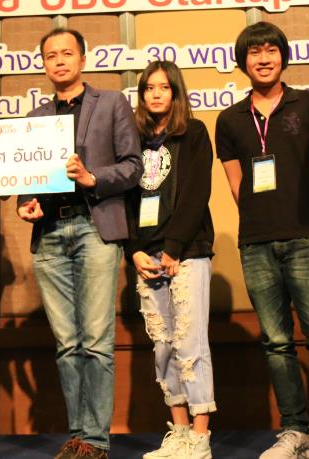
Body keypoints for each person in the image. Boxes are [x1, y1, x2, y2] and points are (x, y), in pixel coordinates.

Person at [214, 21, 309, 459]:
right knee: (276, 342)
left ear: (283, 56)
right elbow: (236, 184)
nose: (263, 58)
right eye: (254, 52)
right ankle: (294, 431)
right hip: (256, 242)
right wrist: (262, 217)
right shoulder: (230, 119)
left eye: (271, 50)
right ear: (243, 61)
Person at [16, 27, 142, 459]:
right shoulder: (36, 116)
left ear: (82, 59)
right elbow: (29, 177)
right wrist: (27, 202)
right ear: (43, 64)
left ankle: (97, 441)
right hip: (50, 233)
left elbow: (133, 166)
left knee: (96, 341)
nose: (59, 61)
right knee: (67, 344)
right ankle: (78, 437)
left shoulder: (112, 103)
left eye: (66, 53)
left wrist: (92, 177)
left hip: (94, 227)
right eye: (51, 55)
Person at [126, 61, 216, 459]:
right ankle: (178, 433)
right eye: (149, 88)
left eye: (164, 87)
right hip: (146, 256)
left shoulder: (193, 132)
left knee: (190, 343)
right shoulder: (133, 140)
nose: (156, 94)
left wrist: (175, 247)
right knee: (162, 345)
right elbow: (125, 199)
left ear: (176, 92)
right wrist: (133, 249)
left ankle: (199, 437)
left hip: (186, 254)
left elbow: (197, 192)